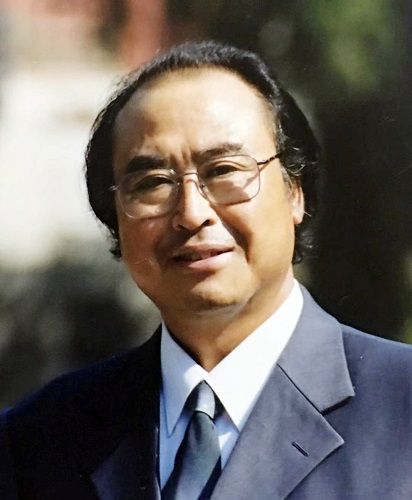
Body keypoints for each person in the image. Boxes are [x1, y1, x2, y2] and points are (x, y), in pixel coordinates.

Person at [1, 41, 412, 500]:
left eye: (224, 170)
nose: (192, 213)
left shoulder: (401, 407)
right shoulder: (36, 440)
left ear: (295, 190)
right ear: (114, 217)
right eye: (153, 183)